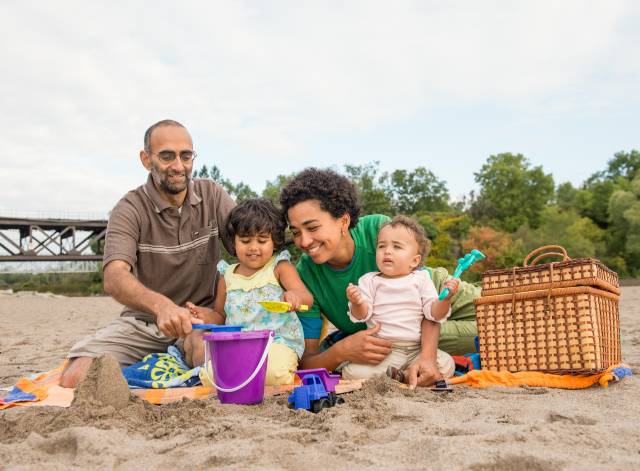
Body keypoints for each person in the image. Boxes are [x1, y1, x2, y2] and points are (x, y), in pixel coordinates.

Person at [60, 119, 236, 388]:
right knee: (77, 377)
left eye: (185, 156)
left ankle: (168, 367)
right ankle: (162, 367)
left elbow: (252, 242)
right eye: (167, 156)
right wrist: (162, 307)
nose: (178, 166)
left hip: (201, 321)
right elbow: (114, 275)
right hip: (144, 323)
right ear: (146, 159)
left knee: (213, 363)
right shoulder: (129, 208)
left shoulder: (212, 194)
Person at [279, 168, 479, 388]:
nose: (304, 241)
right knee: (497, 337)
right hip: (397, 338)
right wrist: (342, 350)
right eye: (296, 232)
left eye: (313, 227)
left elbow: (423, 293)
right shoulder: (305, 276)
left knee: (514, 314)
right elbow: (307, 362)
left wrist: (428, 358)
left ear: (343, 221)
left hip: (438, 292)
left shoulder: (377, 230)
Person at [185, 198, 313, 386]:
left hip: (277, 342)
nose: (253, 247)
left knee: (274, 374)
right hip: (238, 345)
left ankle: (254, 375)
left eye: (262, 241)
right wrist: (203, 315)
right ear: (234, 242)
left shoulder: (279, 267)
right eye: (245, 241)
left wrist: (295, 297)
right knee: (211, 376)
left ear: (275, 242)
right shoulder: (227, 275)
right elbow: (220, 316)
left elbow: (307, 298)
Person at [343, 215, 458, 382]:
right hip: (385, 350)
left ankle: (402, 376)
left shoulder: (421, 279)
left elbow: (434, 314)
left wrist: (445, 300)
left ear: (414, 260)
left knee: (447, 364)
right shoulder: (369, 280)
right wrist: (357, 302)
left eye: (397, 247)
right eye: (382, 246)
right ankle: (406, 376)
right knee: (351, 373)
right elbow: (362, 315)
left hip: (417, 349)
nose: (387, 251)